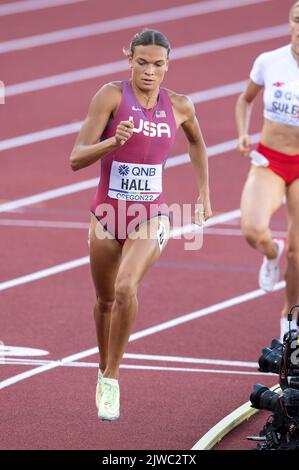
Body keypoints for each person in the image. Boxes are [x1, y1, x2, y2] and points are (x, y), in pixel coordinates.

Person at [70, 29, 212, 421]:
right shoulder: (111, 96)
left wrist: (204, 193)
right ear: (129, 59)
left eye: (158, 64)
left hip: (151, 215)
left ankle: (112, 379)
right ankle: (102, 370)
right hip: (106, 214)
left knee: (126, 285)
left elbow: (198, 143)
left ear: (168, 65)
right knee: (104, 301)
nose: (150, 71)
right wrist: (111, 142)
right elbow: (76, 158)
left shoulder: (180, 105)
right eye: (142, 62)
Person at [235, 1, 299, 341]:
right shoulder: (269, 61)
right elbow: (245, 100)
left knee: (298, 251)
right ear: (290, 22)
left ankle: (290, 319)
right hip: (270, 159)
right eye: (298, 20)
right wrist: (243, 132)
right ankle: (270, 252)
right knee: (252, 229)